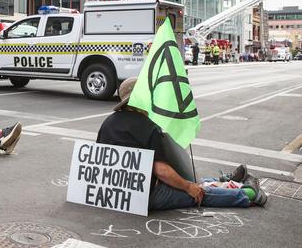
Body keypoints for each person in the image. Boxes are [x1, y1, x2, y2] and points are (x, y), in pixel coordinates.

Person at [96, 78, 267, 211]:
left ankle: (224, 182)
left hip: (115, 194)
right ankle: (248, 194)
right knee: (198, 192)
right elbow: (161, 171)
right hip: (145, 197)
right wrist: (188, 187)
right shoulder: (148, 126)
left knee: (190, 181)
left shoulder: (107, 123)